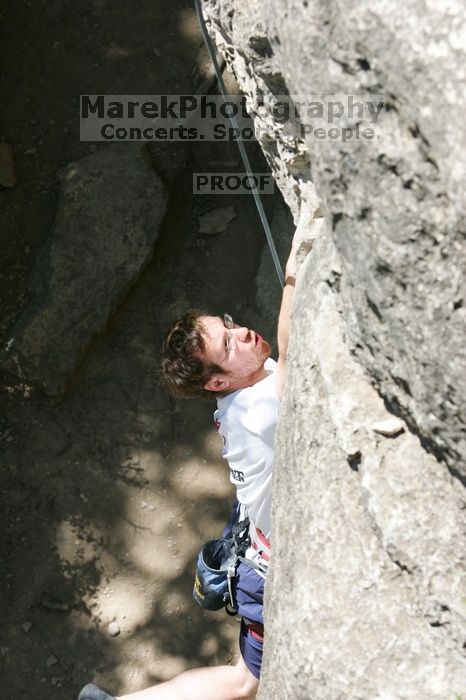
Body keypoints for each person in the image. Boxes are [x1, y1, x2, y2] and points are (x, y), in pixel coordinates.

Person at [78, 191, 316, 700]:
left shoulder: (244, 394)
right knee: (244, 682)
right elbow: (294, 357)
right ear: (216, 383)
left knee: (242, 679)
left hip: (257, 539)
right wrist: (295, 269)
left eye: (228, 325)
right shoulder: (254, 407)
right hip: (266, 565)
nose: (242, 333)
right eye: (228, 344)